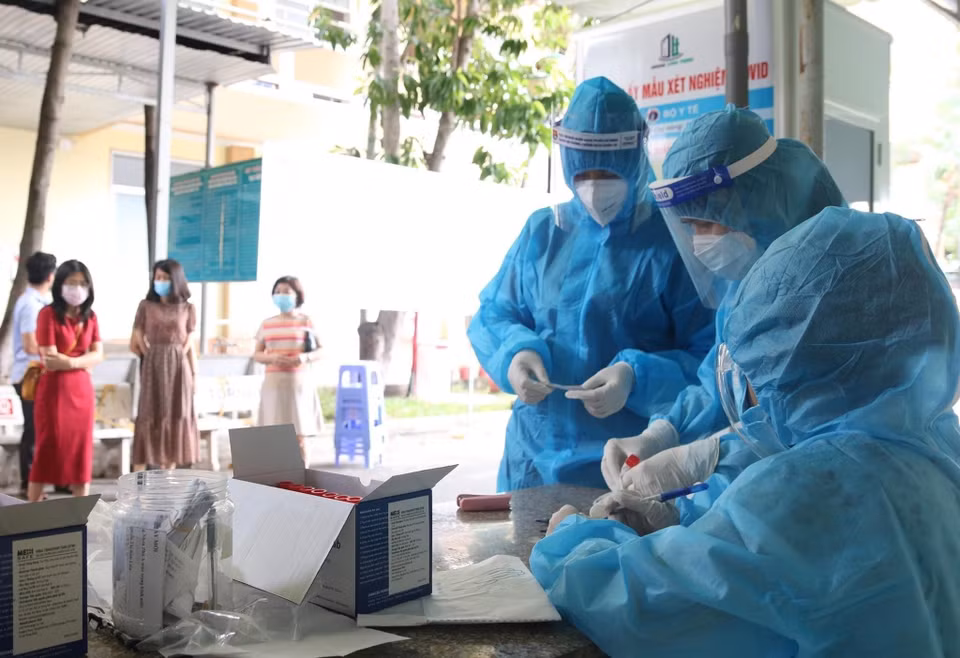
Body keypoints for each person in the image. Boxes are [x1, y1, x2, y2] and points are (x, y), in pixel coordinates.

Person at [532, 208, 960, 657]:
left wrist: (572, 540)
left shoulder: (806, 489)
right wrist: (689, 518)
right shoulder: (938, 453)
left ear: (801, 363)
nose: (747, 394)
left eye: (758, 365)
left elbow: (640, 605)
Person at [597, 107, 845, 523]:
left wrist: (705, 459)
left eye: (706, 224)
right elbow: (722, 381)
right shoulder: (743, 290)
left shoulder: (825, 295)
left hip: (834, 512)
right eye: (689, 226)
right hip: (776, 510)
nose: (697, 242)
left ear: (758, 203)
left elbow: (810, 438)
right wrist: (661, 435)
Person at [467, 76, 716, 491]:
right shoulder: (543, 233)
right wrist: (515, 352)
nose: (595, 186)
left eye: (608, 171)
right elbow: (496, 312)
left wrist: (636, 377)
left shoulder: (672, 241)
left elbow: (711, 359)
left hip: (631, 466)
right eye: (585, 172)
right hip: (532, 461)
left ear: (636, 155)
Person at [28, 260, 103, 501]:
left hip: (82, 394)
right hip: (54, 393)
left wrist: (69, 362)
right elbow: (49, 358)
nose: (77, 288)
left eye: (82, 283)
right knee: (48, 448)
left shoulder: (91, 317)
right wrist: (84, 360)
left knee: (81, 455)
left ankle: (80, 515)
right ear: (59, 285)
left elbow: (99, 354)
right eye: (71, 283)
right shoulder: (47, 314)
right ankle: (31, 509)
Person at [130, 259, 199, 471]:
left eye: (165, 278)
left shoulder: (188, 308)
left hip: (180, 369)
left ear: (176, 279)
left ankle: (168, 476)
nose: (160, 281)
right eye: (157, 277)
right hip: (153, 365)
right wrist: (150, 352)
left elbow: (190, 345)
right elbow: (135, 342)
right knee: (149, 414)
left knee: (176, 414)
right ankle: (139, 480)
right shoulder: (145, 306)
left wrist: (194, 376)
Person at [253, 276, 323, 463]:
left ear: (297, 295)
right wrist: (272, 358)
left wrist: (304, 357)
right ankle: (277, 480)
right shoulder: (266, 323)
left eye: (286, 291)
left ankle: (303, 478)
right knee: (273, 435)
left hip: (298, 385)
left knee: (300, 436)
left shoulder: (306, 322)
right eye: (277, 291)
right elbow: (257, 354)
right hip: (273, 385)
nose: (281, 295)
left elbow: (321, 350)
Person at [10, 251, 58, 496]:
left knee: (38, 428)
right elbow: (30, 344)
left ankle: (36, 482)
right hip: (29, 376)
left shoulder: (32, 301)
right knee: (33, 428)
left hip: (32, 374)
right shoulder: (30, 304)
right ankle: (28, 483)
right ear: (51, 276)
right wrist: (56, 353)